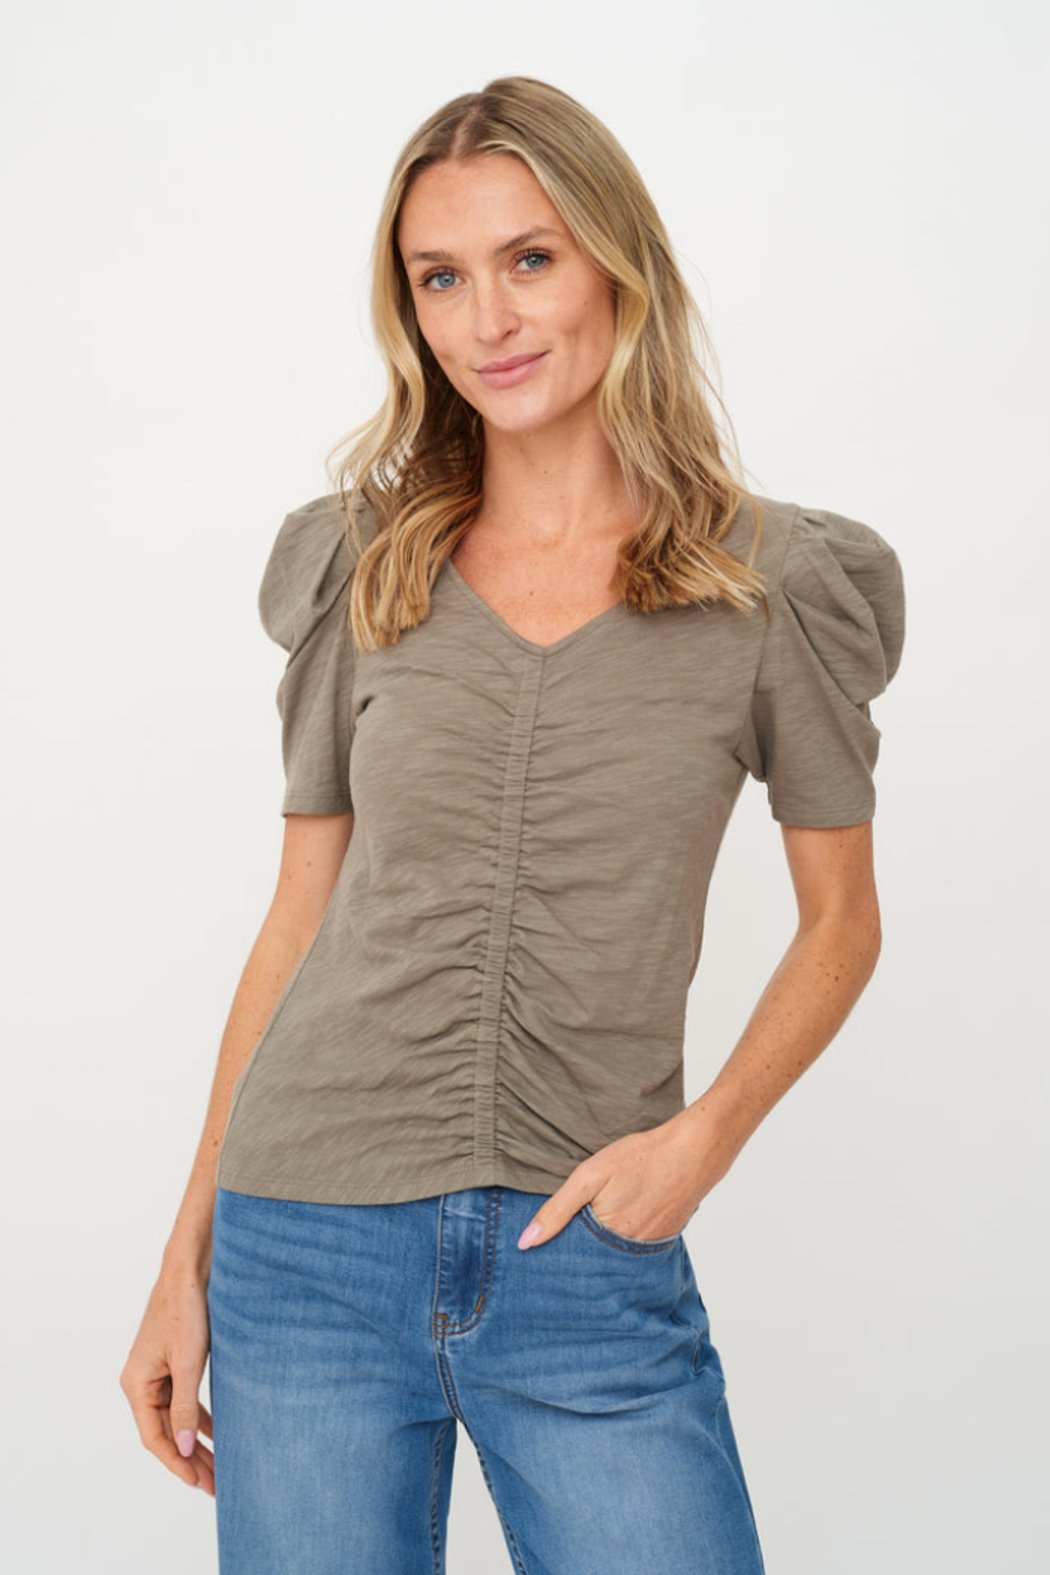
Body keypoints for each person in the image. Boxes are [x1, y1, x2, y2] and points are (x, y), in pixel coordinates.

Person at [120, 74, 906, 1574]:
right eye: (441, 277)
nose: (488, 318)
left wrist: (699, 1144)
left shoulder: (770, 587)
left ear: (617, 265)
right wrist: (186, 1256)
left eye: (529, 259)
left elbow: (843, 923)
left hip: (586, 1250)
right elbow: (300, 915)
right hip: (305, 1243)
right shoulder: (363, 565)